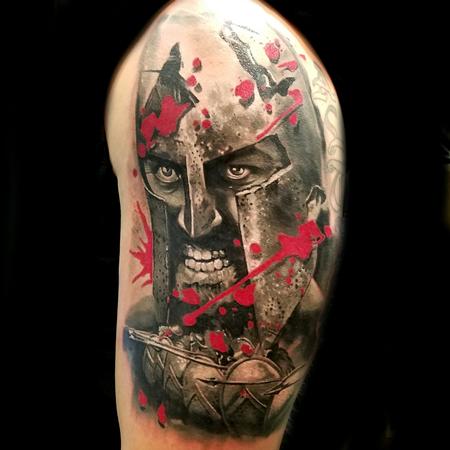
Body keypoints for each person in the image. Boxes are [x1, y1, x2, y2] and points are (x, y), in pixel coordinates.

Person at [105, 0, 344, 448]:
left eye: (236, 171)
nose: (195, 222)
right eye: (168, 172)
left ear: (310, 202)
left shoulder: (215, 26)